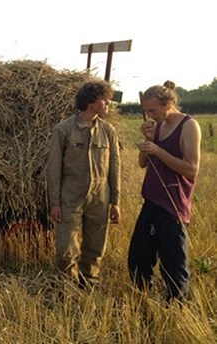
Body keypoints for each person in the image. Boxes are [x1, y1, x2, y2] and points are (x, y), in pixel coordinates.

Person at [128, 80, 201, 302]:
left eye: (153, 110)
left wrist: (158, 150)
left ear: (168, 103)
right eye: (146, 111)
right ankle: (143, 302)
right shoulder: (156, 127)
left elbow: (191, 170)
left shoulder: (189, 126)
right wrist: (148, 140)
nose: (149, 115)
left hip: (173, 204)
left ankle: (177, 308)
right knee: (138, 258)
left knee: (173, 263)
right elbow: (143, 163)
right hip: (151, 200)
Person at [47, 78, 121, 289]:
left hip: (100, 198)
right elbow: (53, 169)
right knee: (66, 250)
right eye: (105, 100)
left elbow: (114, 167)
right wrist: (55, 203)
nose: (108, 104)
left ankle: (89, 287)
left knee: (95, 249)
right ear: (90, 101)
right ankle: (67, 291)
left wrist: (115, 201)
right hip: (70, 197)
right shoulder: (63, 130)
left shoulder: (108, 131)